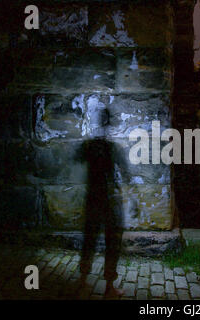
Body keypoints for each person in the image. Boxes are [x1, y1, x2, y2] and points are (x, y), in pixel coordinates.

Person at [79, 109, 124, 299]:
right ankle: (109, 287)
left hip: (92, 198)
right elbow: (123, 173)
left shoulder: (89, 146)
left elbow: (75, 160)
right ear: (109, 123)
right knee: (111, 242)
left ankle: (82, 281)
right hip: (107, 200)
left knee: (89, 239)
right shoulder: (111, 147)